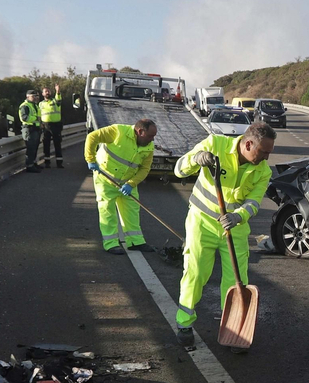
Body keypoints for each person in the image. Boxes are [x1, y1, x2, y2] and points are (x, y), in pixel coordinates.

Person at [171, 122, 275, 349]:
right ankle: (184, 324)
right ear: (248, 144)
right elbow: (179, 169)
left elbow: (254, 202)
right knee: (196, 272)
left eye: (269, 153)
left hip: (235, 230)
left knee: (236, 281)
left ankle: (234, 329)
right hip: (202, 224)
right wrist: (196, 159)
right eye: (264, 152)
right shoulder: (215, 144)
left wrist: (238, 216)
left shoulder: (263, 171)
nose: (267, 158)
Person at [84, 118, 157, 254]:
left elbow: (144, 169)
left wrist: (131, 183)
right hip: (106, 179)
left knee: (132, 211)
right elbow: (92, 137)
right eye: (150, 136)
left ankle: (135, 241)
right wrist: (90, 159)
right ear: (140, 131)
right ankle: (111, 243)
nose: (152, 139)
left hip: (128, 182)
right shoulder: (118, 131)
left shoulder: (148, 146)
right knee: (107, 210)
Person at [39, 84, 65, 168]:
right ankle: (47, 162)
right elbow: (39, 115)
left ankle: (59, 163)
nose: (47, 92)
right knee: (46, 144)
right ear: (42, 94)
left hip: (56, 125)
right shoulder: (41, 104)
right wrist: (40, 124)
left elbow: (58, 98)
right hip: (46, 126)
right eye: (45, 91)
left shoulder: (55, 102)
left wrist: (58, 91)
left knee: (57, 144)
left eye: (48, 91)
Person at [18, 90, 42, 172]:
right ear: (28, 96)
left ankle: (33, 163)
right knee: (30, 148)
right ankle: (29, 166)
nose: (35, 97)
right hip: (29, 129)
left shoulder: (34, 105)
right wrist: (35, 119)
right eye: (33, 96)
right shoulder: (25, 106)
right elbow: (24, 118)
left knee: (35, 148)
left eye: (35, 96)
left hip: (36, 129)